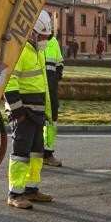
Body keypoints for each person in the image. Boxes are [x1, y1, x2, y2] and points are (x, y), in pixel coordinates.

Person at [4, 10, 56, 210]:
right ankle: (15, 193)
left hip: (36, 113)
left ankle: (31, 189)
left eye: (47, 37)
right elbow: (9, 83)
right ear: (32, 33)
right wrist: (18, 113)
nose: (46, 40)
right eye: (43, 36)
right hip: (24, 114)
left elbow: (40, 84)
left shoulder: (37, 52)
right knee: (21, 154)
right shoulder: (20, 51)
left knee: (36, 152)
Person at [43, 29, 65, 167]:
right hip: (34, 88)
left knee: (52, 120)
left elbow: (60, 64)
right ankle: (33, 153)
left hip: (50, 89)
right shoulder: (30, 42)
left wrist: (56, 78)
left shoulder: (54, 43)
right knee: (35, 121)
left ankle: (47, 153)